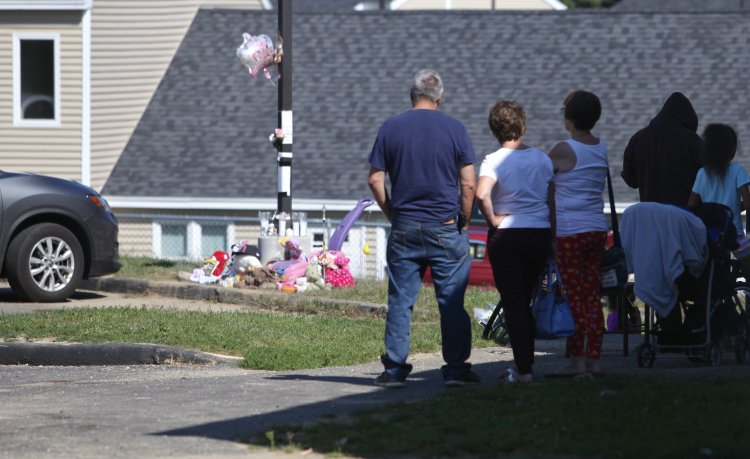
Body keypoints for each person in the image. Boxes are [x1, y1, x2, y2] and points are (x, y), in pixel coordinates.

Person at [367, 69, 479, 388]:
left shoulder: (391, 127)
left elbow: (375, 179)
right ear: (439, 98)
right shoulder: (455, 129)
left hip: (404, 226)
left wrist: (392, 213)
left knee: (401, 301)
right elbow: (468, 183)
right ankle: (456, 370)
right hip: (445, 227)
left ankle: (394, 370)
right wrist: (465, 220)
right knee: (452, 301)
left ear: (411, 95)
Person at [475, 100, 554, 383]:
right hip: (538, 233)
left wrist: (493, 220)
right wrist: (552, 234)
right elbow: (551, 200)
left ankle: (524, 370)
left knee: (514, 302)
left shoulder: (493, 160)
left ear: (495, 129)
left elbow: (482, 193)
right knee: (528, 300)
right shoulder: (543, 160)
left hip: (508, 235)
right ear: (522, 125)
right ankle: (526, 364)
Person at [548, 90, 609, 375]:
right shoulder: (601, 147)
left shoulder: (564, 149)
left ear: (569, 118)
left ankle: (577, 360)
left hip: (570, 232)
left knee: (572, 296)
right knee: (591, 295)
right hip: (596, 230)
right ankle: (594, 358)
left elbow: (541, 177)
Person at [688, 124, 750, 274]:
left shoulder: (702, 173)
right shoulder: (737, 170)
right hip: (732, 235)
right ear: (729, 149)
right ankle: (747, 290)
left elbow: (690, 206)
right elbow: (748, 204)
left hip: (709, 236)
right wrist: (736, 207)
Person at [621, 92, 703, 205]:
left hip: (650, 215)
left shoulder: (638, 139)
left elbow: (631, 180)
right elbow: (705, 181)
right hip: (682, 216)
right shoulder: (693, 141)